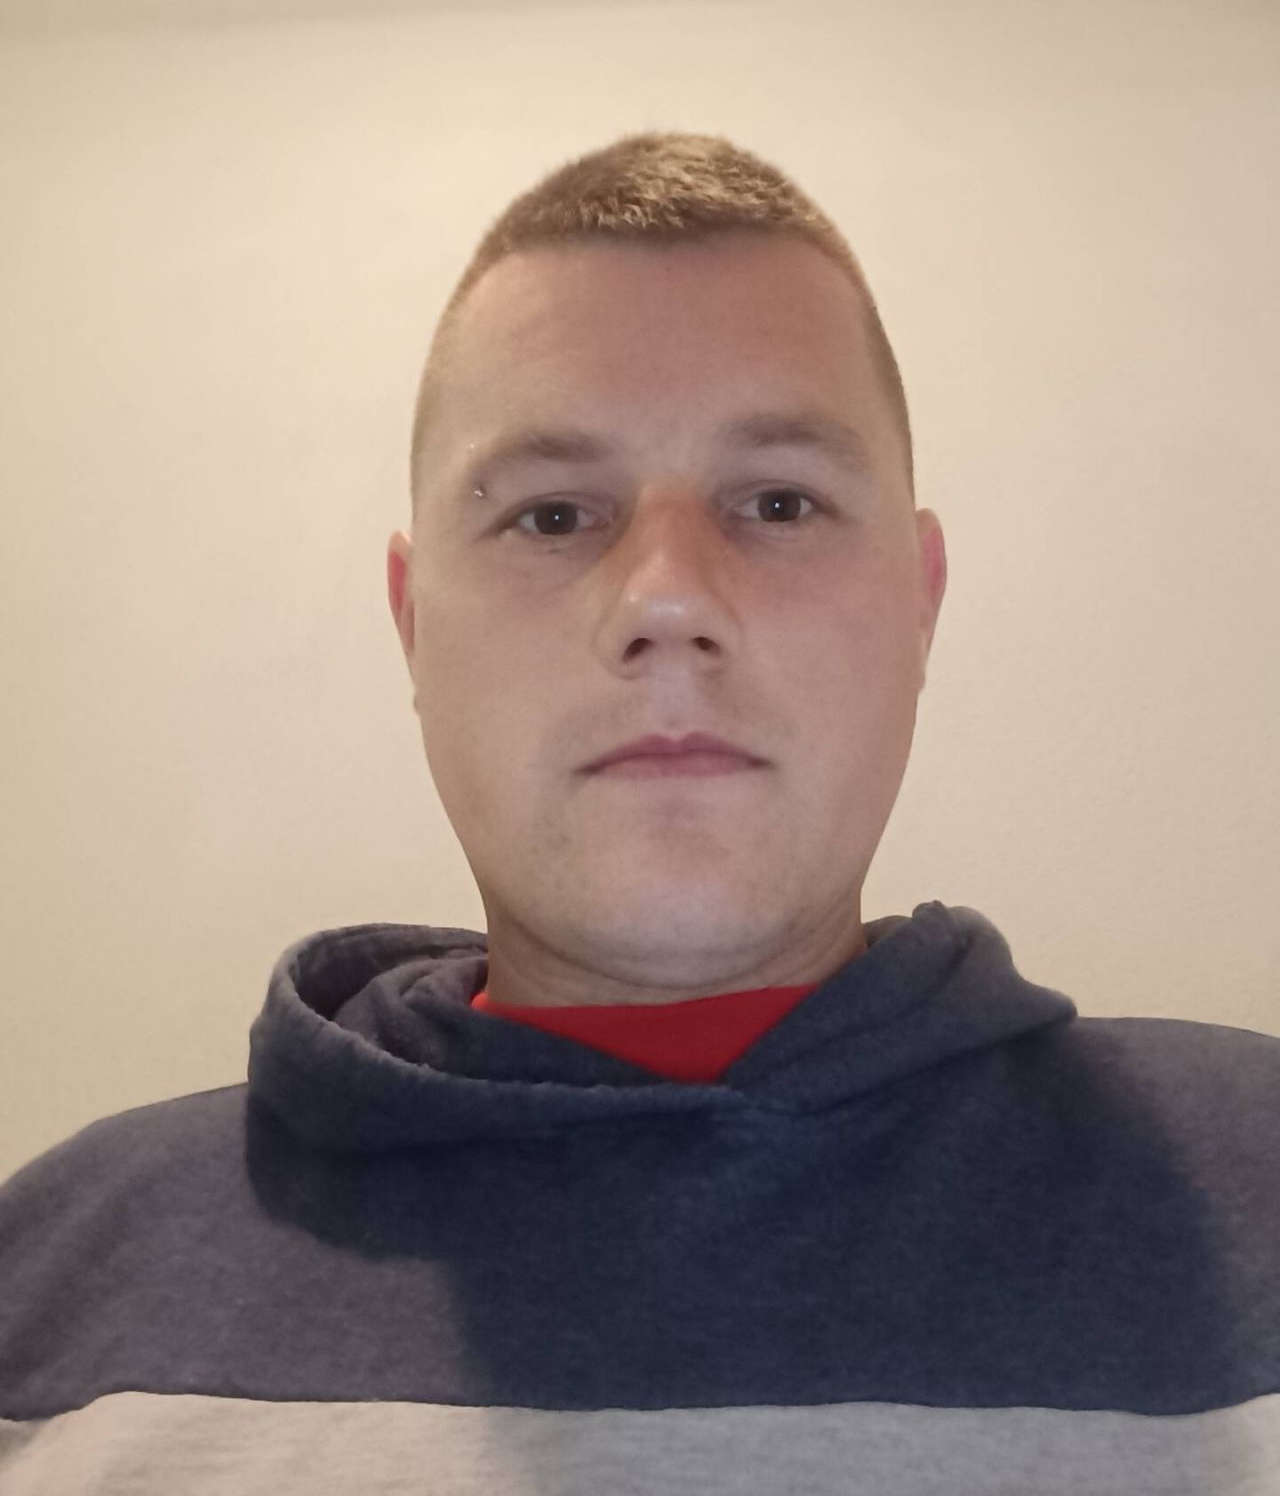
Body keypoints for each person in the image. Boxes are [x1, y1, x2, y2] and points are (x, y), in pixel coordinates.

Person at [0, 132, 1276, 1494]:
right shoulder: (51, 1285)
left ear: (921, 602)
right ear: (414, 623)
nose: (667, 598)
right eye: (553, 516)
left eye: (778, 501)